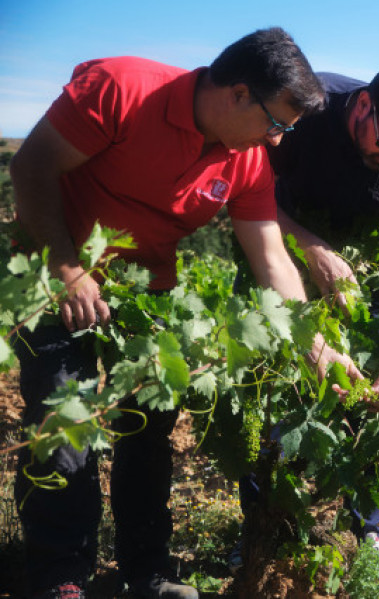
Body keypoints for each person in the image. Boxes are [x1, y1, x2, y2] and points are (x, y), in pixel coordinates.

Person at [9, 27, 357, 599]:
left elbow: (270, 255)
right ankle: (60, 576)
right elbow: (31, 168)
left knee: (148, 428)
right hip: (52, 271)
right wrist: (68, 269)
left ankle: (145, 570)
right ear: (238, 93)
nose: (277, 141)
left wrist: (314, 345)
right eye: (277, 123)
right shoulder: (121, 89)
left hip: (147, 297)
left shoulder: (245, 161)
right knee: (63, 423)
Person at [234, 63, 379, 592]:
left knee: (376, 397)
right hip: (271, 249)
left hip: (364, 273)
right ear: (364, 103)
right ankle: (263, 533)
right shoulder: (303, 110)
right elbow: (241, 195)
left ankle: (366, 534)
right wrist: (311, 246)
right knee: (270, 394)